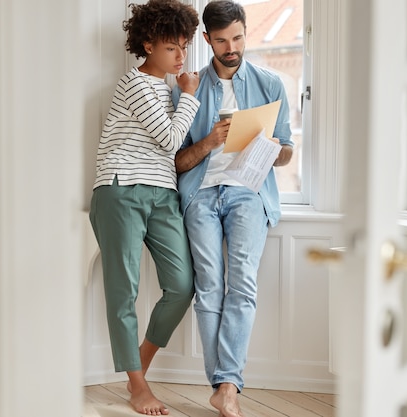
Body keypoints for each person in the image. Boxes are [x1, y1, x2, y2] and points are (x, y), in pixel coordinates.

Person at [172, 1, 294, 416]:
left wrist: (275, 149)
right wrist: (209, 141)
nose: (231, 47)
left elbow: (288, 152)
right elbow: (177, 162)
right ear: (207, 39)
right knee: (209, 288)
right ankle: (223, 385)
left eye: (238, 37)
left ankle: (227, 387)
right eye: (221, 40)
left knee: (242, 285)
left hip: (249, 193)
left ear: (246, 33)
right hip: (201, 194)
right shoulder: (187, 89)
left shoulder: (271, 84)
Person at [89, 0, 200, 415]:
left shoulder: (167, 88)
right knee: (124, 292)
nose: (180, 56)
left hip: (163, 193)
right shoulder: (134, 84)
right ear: (148, 44)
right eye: (172, 48)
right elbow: (170, 140)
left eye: (184, 48)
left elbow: (167, 149)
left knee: (182, 284)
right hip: (121, 189)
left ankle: (140, 365)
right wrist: (190, 94)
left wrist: (181, 93)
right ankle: (137, 387)